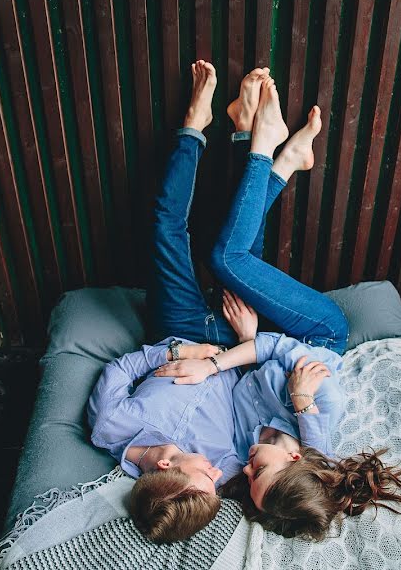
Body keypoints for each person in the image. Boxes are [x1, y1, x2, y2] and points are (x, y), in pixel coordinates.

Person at [87, 61, 350, 543]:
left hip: (178, 331)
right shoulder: (238, 462)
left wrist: (178, 353)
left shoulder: (110, 429)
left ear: (165, 466)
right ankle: (251, 137)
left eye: (206, 476)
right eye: (218, 481)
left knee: (167, 229)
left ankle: (199, 126)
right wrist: (246, 348)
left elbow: (121, 371)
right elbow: (292, 433)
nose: (221, 474)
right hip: (239, 338)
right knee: (237, 251)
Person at [154, 77, 401, 541]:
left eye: (248, 483)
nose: (247, 471)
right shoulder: (317, 404)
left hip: (246, 338)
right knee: (229, 258)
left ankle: (277, 156)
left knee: (241, 253)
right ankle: (263, 149)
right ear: (295, 459)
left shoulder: (247, 451)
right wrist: (246, 355)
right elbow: (279, 350)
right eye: (261, 474)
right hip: (315, 333)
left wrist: (213, 354)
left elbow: (228, 401)